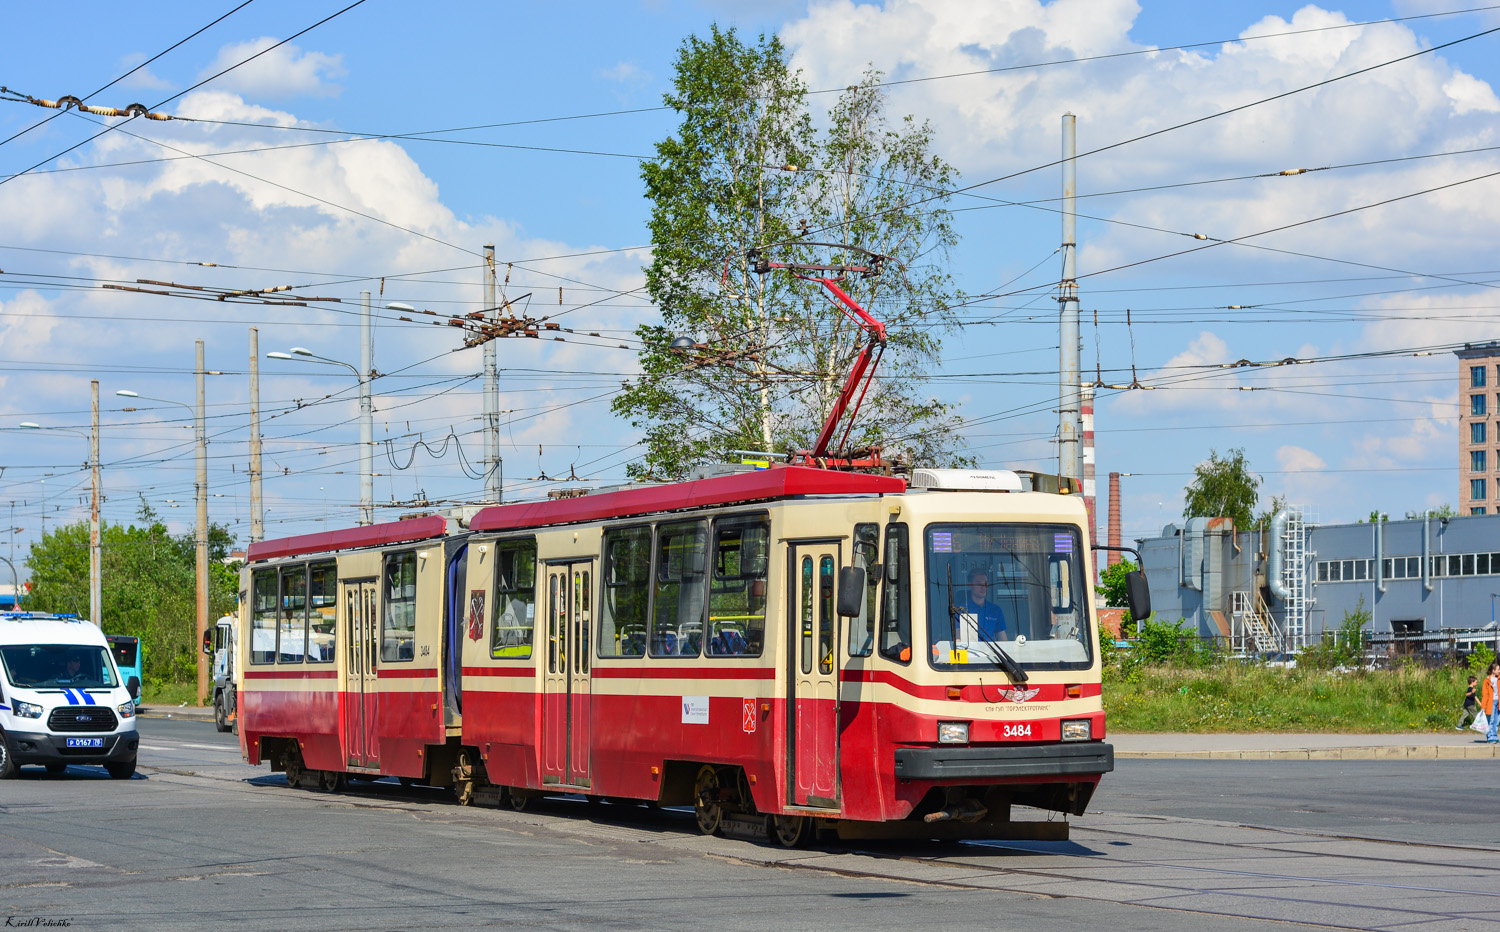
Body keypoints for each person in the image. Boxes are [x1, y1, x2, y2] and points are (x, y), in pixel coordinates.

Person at [957, 569, 1007, 642]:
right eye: (979, 583)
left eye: (985, 583)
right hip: (969, 649)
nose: (983, 587)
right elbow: (958, 639)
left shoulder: (995, 610)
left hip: (992, 649)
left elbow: (1003, 639)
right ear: (970, 585)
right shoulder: (960, 610)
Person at [1484, 661, 1500, 744]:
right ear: (1493, 670)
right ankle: (1490, 737)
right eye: (1498, 669)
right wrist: (1483, 706)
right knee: (1491, 720)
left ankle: (1495, 736)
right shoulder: (1487, 680)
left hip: (1498, 702)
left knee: (1497, 721)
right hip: (1491, 702)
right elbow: (1485, 694)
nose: (1499, 671)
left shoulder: (1499, 679)